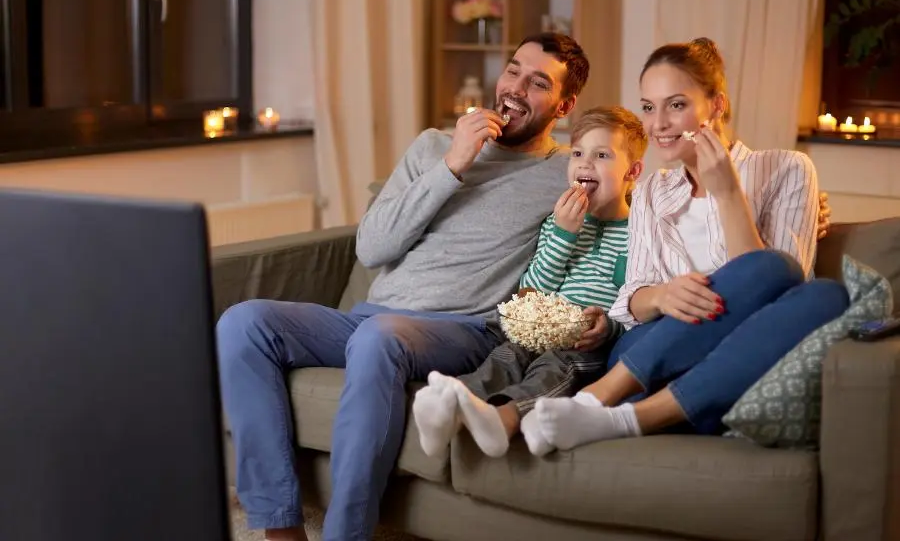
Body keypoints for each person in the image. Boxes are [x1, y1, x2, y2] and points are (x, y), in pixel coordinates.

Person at [216, 32, 591, 541]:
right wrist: (453, 165)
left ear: (564, 104)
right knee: (244, 323)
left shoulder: (565, 173)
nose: (515, 88)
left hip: (464, 331)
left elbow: (630, 213)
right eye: (512, 70)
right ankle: (280, 528)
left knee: (379, 338)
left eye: (538, 82)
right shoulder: (435, 146)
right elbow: (372, 247)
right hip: (372, 316)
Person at [526, 38, 850, 452]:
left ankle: (624, 415)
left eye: (676, 105)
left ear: (716, 105)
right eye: (648, 106)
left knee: (822, 294)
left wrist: (729, 193)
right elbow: (631, 300)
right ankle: (606, 394)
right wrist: (662, 295)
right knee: (775, 268)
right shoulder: (649, 190)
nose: (658, 123)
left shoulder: (788, 169)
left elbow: (783, 295)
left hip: (737, 351)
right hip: (652, 350)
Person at [411, 106, 646, 459]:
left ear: (633, 171)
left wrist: (608, 329)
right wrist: (564, 236)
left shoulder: (641, 235)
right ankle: (450, 404)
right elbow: (531, 293)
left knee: (555, 368)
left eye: (602, 156)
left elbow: (638, 305)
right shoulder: (558, 224)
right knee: (505, 356)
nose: (585, 164)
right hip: (541, 331)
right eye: (578, 153)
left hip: (587, 348)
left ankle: (503, 417)